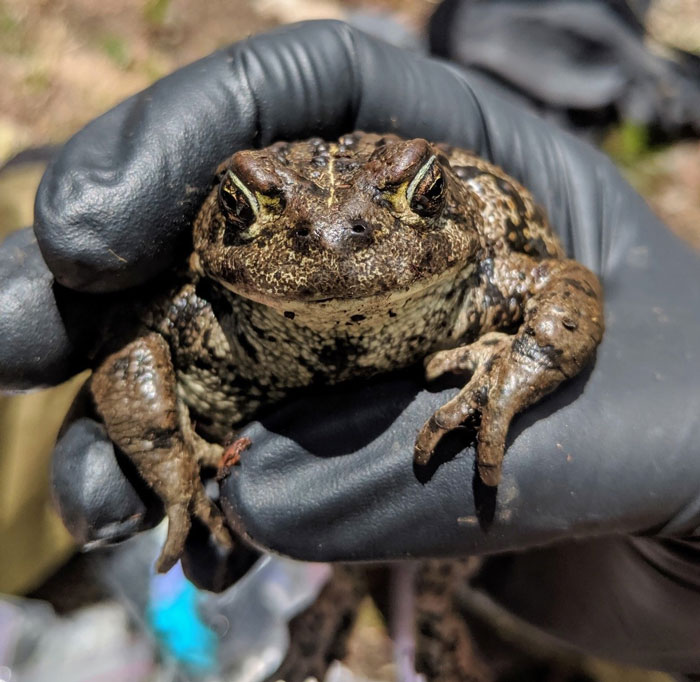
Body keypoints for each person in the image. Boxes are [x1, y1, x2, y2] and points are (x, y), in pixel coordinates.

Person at [1, 20, 699, 676]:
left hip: (442, 335)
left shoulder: (485, 269)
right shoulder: (201, 307)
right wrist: (168, 458)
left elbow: (563, 286)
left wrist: (526, 365)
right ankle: (338, 600)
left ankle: (430, 610)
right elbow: (132, 353)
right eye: (251, 209)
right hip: (271, 421)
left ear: (441, 198)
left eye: (419, 195)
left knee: (435, 575)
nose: (336, 241)